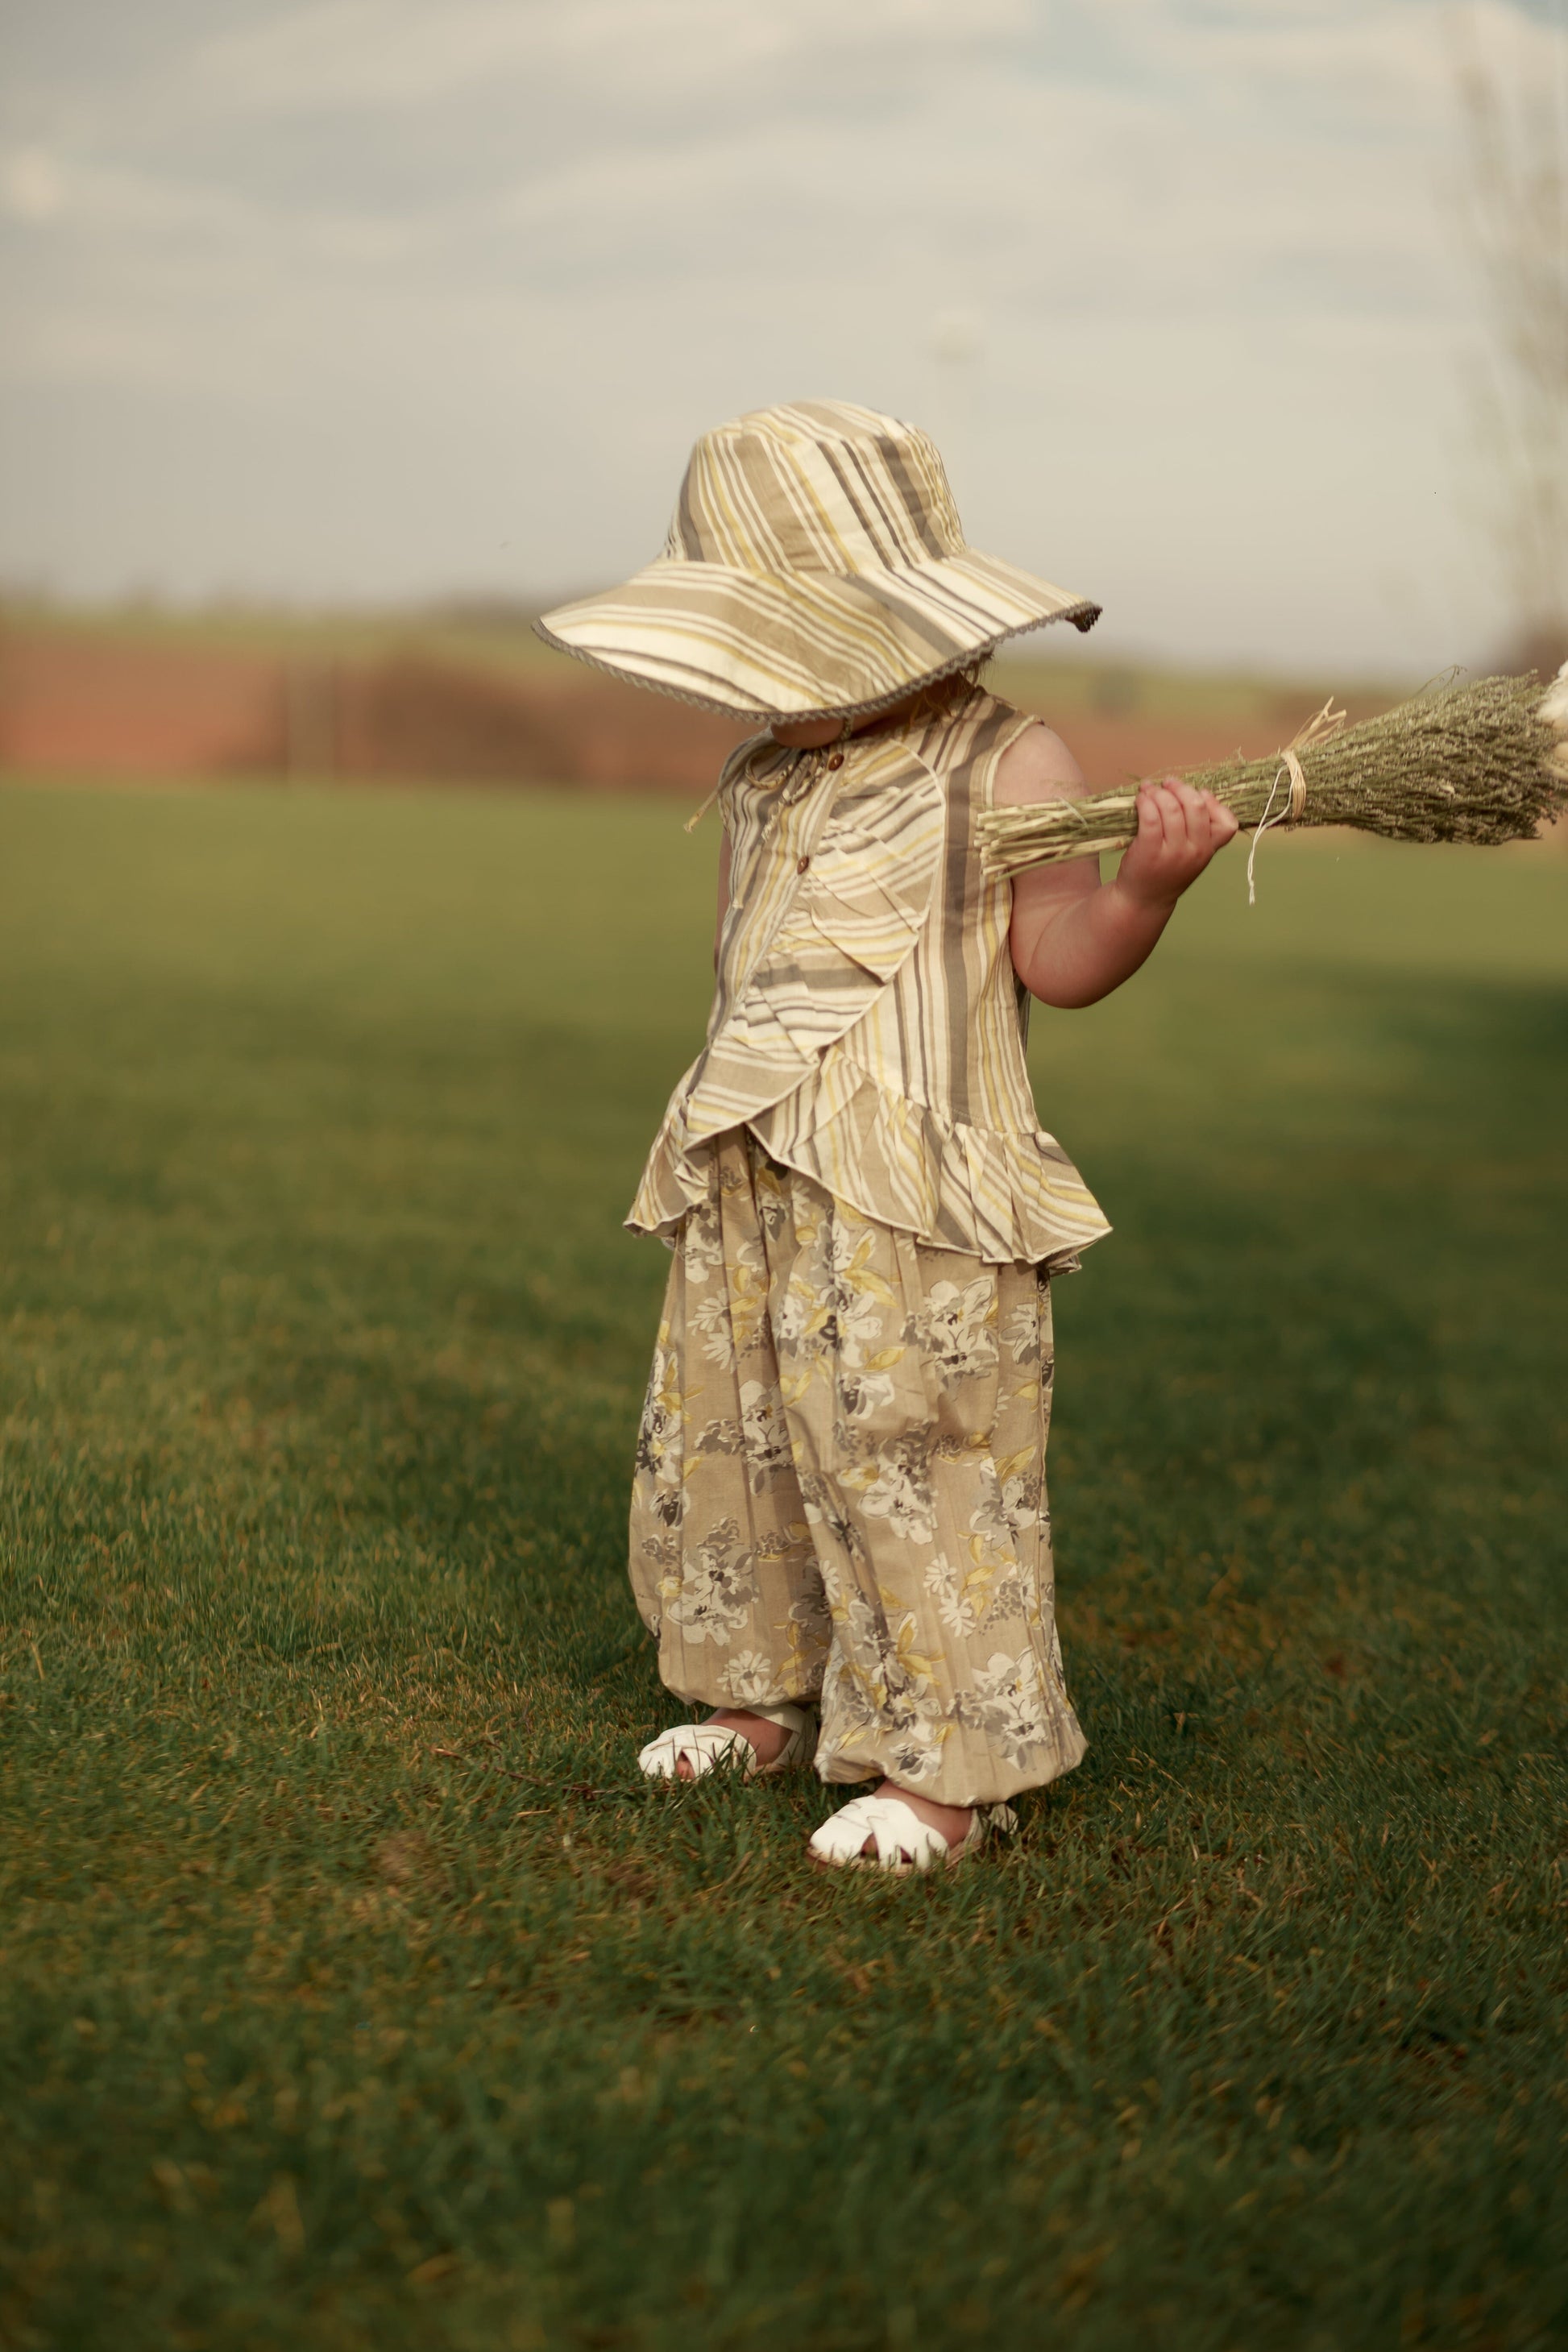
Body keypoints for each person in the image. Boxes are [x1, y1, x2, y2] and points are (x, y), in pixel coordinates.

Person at [536, 400, 1237, 1873]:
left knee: (912, 1458)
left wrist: (1144, 897)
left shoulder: (1006, 764)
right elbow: (748, 969)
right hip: (756, 1169)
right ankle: (753, 1697)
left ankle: (940, 1769)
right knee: (731, 1443)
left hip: (913, 1195)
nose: (758, 687)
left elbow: (1054, 961)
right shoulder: (771, 766)